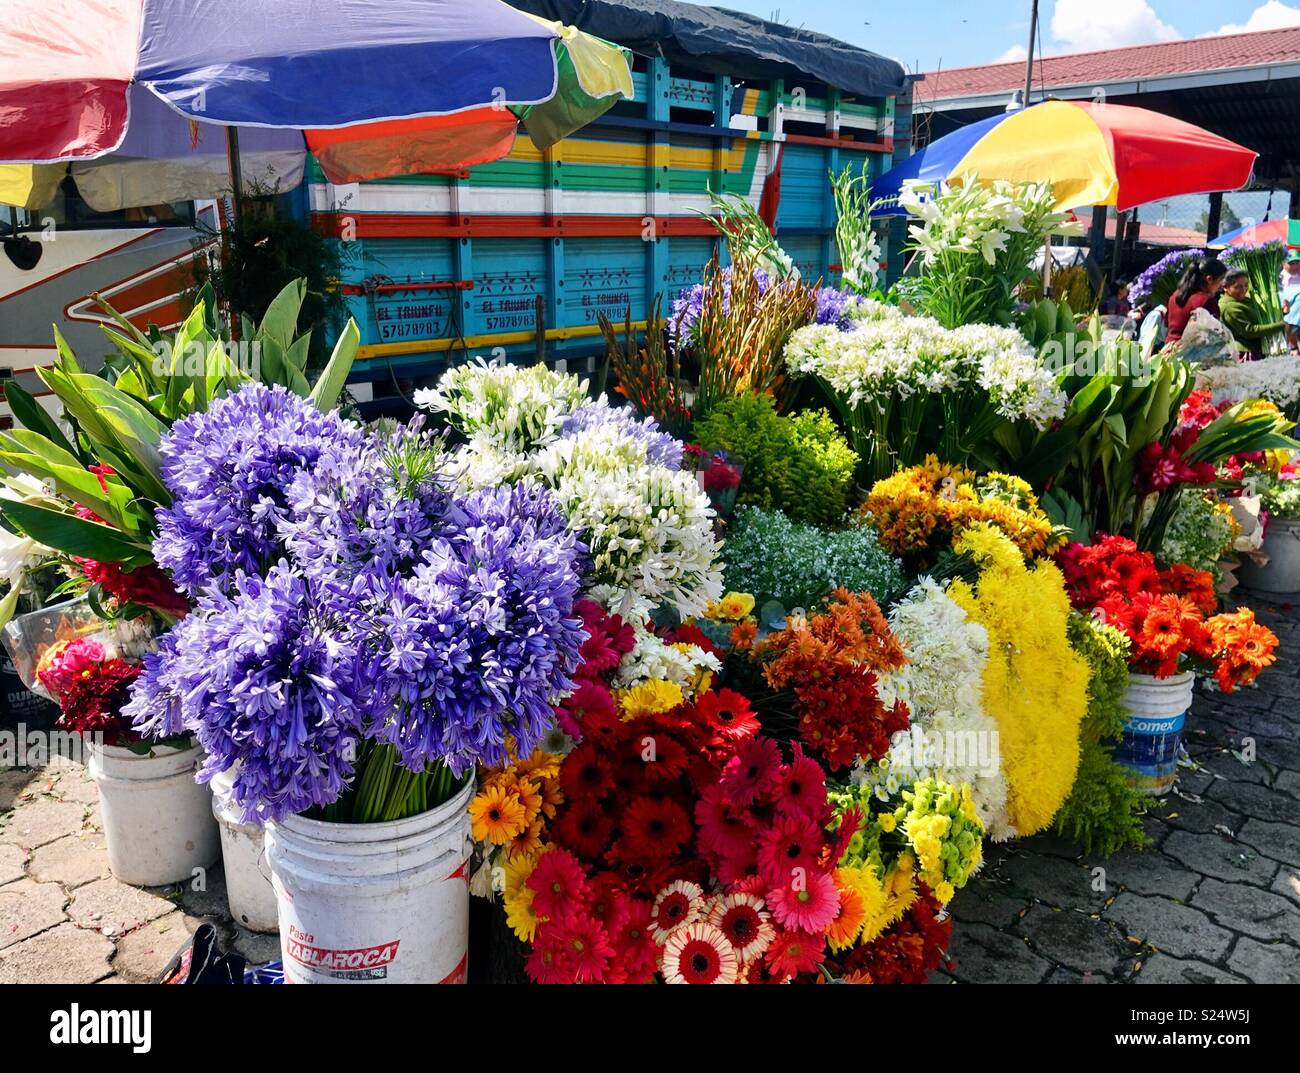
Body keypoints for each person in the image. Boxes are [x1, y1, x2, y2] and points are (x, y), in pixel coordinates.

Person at [1218, 267, 1284, 361]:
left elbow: (1261, 317)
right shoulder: (1229, 307)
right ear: (1225, 287)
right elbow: (1249, 331)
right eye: (1238, 287)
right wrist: (1281, 325)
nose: (1244, 289)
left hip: (1257, 350)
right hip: (1245, 354)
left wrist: (1282, 313)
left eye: (1246, 285)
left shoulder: (1244, 300)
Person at [1165, 257, 1227, 344]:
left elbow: (1166, 323)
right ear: (1209, 279)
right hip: (1191, 353)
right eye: (1221, 279)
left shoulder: (1175, 295)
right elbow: (1214, 333)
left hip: (1169, 349)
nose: (1222, 285)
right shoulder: (1205, 300)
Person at [1280, 250, 1300, 353]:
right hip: (1286, 319)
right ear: (1283, 264)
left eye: (1297, 262)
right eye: (1291, 263)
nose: (1296, 266)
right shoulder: (1278, 279)